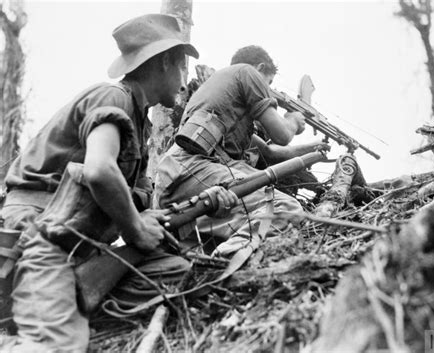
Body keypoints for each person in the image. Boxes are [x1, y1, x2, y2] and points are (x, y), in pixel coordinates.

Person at [0, 14, 237, 351]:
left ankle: (66, 300)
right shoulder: (112, 98)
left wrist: (204, 203)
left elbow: (138, 212)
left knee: (176, 270)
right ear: (166, 63)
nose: (185, 82)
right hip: (33, 234)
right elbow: (98, 170)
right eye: (183, 68)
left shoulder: (138, 124)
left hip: (72, 244)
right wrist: (136, 230)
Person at [155, 45, 328, 256]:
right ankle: (230, 264)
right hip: (195, 167)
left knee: (205, 246)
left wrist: (312, 149)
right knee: (285, 209)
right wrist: (292, 121)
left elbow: (270, 152)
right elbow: (282, 135)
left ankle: (213, 266)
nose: (268, 89)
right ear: (260, 68)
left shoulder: (223, 101)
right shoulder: (247, 72)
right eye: (269, 83)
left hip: (177, 178)